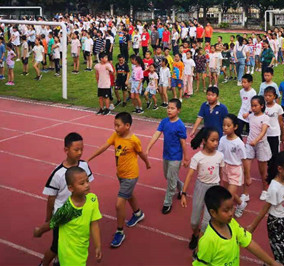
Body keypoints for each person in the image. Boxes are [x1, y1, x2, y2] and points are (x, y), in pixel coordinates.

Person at [88, 112, 151, 248]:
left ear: (127, 126)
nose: (115, 128)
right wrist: (89, 159)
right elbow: (104, 146)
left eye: (118, 125)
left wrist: (147, 163)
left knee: (119, 204)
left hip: (131, 176)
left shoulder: (134, 140)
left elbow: (141, 153)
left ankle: (120, 232)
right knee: (129, 194)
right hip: (120, 174)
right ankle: (138, 213)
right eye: (114, 125)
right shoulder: (115, 136)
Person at [35, 132, 94, 266]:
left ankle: (60, 259)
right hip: (62, 215)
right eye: (76, 150)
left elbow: (88, 188)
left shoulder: (84, 166)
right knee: (56, 246)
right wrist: (49, 218)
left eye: (82, 149)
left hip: (78, 213)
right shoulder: (58, 174)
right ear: (66, 150)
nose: (80, 153)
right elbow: (51, 198)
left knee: (73, 242)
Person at [192, 185, 280, 266]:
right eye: (226, 210)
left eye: (231, 208)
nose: (231, 213)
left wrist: (272, 262)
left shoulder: (232, 224)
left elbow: (249, 243)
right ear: (213, 213)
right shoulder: (208, 240)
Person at [34, 167, 102, 265]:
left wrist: (97, 246)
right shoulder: (68, 210)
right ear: (71, 188)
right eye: (82, 183)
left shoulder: (92, 199)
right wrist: (39, 231)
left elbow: (94, 223)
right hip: (68, 254)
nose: (87, 185)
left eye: (87, 181)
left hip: (82, 250)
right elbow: (52, 223)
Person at [181, 127, 225, 250]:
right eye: (212, 140)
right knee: (194, 222)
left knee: (206, 222)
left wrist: (220, 189)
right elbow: (190, 175)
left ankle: (199, 249)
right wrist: (183, 193)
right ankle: (196, 234)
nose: (216, 143)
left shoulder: (220, 156)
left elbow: (221, 173)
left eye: (217, 140)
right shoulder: (197, 157)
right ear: (204, 141)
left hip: (214, 188)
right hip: (200, 187)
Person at [146, 98, 188, 214]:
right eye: (168, 108)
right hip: (166, 155)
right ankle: (181, 186)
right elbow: (156, 134)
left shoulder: (180, 125)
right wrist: (148, 148)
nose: (169, 110)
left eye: (172, 108)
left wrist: (186, 158)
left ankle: (167, 203)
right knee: (168, 176)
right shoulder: (164, 122)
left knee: (170, 181)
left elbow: (183, 142)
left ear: (178, 110)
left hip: (176, 157)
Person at [218, 114, 248, 217]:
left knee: (228, 197)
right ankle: (241, 204)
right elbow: (219, 155)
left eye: (228, 125)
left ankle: (227, 216)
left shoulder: (239, 143)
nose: (225, 128)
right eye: (224, 125)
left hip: (235, 170)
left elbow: (244, 159)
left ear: (235, 127)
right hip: (225, 168)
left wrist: (247, 176)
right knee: (228, 192)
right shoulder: (222, 139)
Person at [244, 96, 272, 201]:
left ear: (262, 106)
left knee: (262, 171)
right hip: (250, 144)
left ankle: (265, 189)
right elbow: (245, 115)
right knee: (246, 169)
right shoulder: (250, 116)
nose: (253, 108)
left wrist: (256, 140)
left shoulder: (265, 118)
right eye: (252, 106)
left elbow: (263, 131)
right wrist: (248, 112)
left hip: (261, 144)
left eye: (255, 105)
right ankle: (245, 193)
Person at [264, 87, 284, 158]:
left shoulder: (278, 107)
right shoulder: (262, 107)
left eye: (270, 96)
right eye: (266, 95)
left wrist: (283, 134)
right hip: (265, 133)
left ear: (274, 96)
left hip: (275, 133)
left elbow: (281, 121)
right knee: (266, 152)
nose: (267, 97)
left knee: (275, 153)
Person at [237, 74, 256, 138]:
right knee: (238, 131)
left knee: (249, 134)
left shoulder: (253, 93)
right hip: (241, 114)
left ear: (250, 83)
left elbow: (253, 105)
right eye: (242, 82)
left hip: (250, 115)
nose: (243, 84)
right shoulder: (241, 91)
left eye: (245, 82)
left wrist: (248, 113)